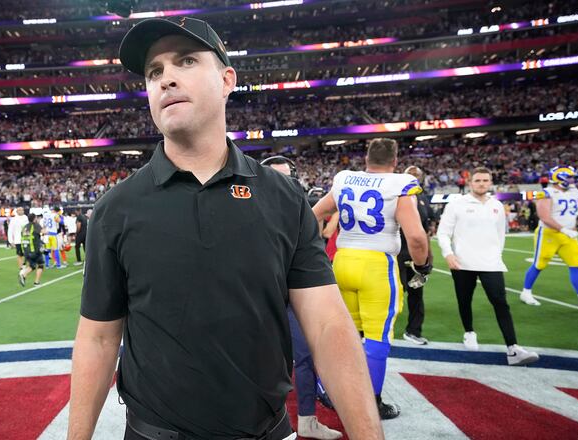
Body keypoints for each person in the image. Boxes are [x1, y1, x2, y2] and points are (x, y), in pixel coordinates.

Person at [69, 17, 382, 440]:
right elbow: (99, 340)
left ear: (226, 79)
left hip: (266, 431)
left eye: (186, 61)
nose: (166, 80)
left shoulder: (284, 198)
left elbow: (327, 324)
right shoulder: (115, 209)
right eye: (154, 72)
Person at [312, 137, 432, 420]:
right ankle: (372, 402)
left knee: (345, 333)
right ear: (395, 161)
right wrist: (422, 266)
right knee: (378, 336)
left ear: (366, 158)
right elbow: (415, 236)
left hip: (343, 261)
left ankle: (326, 386)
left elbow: (315, 212)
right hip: (377, 264)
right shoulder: (400, 184)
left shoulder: (345, 179)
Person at [263, 156, 341, 440]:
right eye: (275, 177)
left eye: (287, 177)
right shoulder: (244, 211)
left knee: (306, 355)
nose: (281, 184)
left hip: (294, 295)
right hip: (258, 296)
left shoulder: (303, 213)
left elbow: (314, 261)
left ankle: (307, 419)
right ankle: (263, 422)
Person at [436, 168, 540, 365]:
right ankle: (469, 332)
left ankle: (513, 348)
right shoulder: (457, 204)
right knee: (464, 301)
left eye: (485, 180)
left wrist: (497, 255)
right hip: (462, 262)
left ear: (490, 182)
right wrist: (448, 254)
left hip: (491, 263)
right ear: (470, 183)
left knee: (501, 302)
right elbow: (443, 232)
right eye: (478, 180)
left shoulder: (497, 205)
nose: (482, 183)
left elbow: (500, 233)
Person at [520, 166, 578, 309]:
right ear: (560, 179)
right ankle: (526, 292)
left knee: (577, 264)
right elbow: (544, 217)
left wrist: (570, 228)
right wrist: (564, 229)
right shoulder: (546, 193)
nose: (573, 181)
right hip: (549, 234)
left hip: (569, 235)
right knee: (540, 263)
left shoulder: (573, 191)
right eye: (570, 178)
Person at [398, 166, 435, 345]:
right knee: (391, 294)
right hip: (395, 251)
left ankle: (413, 331)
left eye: (416, 175)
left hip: (416, 255)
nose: (413, 178)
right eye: (410, 175)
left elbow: (426, 230)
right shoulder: (394, 195)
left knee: (416, 294)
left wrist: (429, 254)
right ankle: (375, 330)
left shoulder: (423, 199)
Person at [18, 213, 45, 286]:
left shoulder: (25, 227)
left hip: (26, 250)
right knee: (41, 264)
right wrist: (44, 228)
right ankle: (36, 282)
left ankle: (23, 275)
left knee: (32, 266)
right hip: (35, 250)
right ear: (35, 218)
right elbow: (44, 232)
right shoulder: (36, 225)